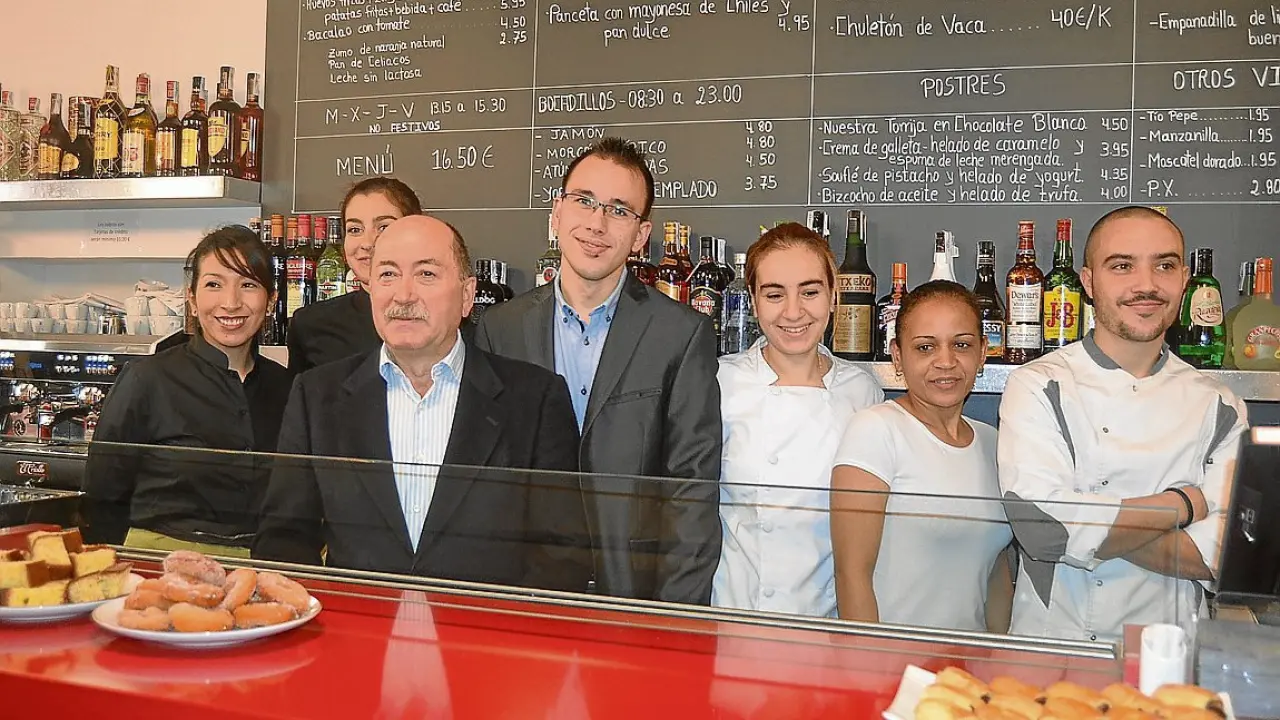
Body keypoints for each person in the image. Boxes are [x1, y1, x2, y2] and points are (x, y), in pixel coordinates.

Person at [253, 215, 591, 593]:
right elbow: (283, 539)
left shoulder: (535, 399)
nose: (403, 295)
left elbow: (563, 555)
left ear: (467, 296)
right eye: (388, 274)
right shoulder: (317, 396)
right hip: (359, 626)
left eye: (426, 274)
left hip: (483, 626)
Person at [473, 137, 722, 605]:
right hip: (524, 595)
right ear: (556, 212)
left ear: (641, 235)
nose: (597, 223)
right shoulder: (499, 329)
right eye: (584, 201)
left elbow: (691, 493)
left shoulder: (681, 334)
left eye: (618, 210)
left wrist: (674, 622)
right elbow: (487, 484)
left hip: (634, 594)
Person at [998, 206, 1249, 642]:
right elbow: (1043, 530)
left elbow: (1227, 554)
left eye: (1164, 266)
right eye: (1122, 266)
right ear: (1088, 281)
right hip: (1056, 649)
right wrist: (1182, 506)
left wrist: (1090, 518)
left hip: (1171, 654)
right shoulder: (1039, 384)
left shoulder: (1219, 405)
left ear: (1184, 279)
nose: (1146, 285)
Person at [82, 225, 294, 557]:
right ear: (192, 300)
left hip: (265, 564)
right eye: (214, 285)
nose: (231, 303)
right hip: (161, 562)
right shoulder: (146, 380)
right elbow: (101, 496)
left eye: (248, 285)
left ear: (271, 301)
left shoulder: (290, 388)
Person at [713, 223, 883, 617]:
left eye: (810, 292)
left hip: (826, 620)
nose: (793, 312)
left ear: (833, 296)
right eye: (774, 294)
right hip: (734, 614)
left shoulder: (862, 391)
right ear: (754, 302)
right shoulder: (719, 383)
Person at [830, 280, 1014, 631]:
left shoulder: (994, 443)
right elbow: (852, 575)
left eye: (961, 344)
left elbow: (994, 572)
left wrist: (1000, 653)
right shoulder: (876, 430)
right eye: (925, 347)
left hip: (968, 661)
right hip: (894, 659)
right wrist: (865, 661)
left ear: (983, 353)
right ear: (898, 356)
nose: (945, 361)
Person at [286, 177, 421, 374]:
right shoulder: (310, 324)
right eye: (355, 230)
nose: (367, 243)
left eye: (383, 227)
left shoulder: (443, 317)